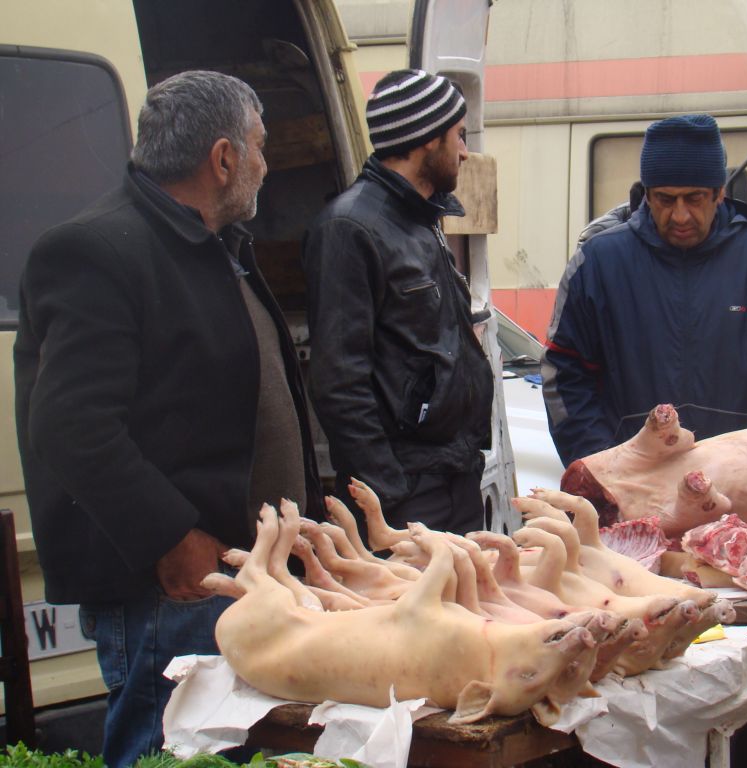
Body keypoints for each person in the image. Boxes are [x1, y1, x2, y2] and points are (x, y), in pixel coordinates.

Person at [13, 70, 325, 768]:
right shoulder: (99, 249)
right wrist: (171, 539)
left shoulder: (209, 245)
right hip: (170, 591)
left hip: (237, 580)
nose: (266, 164)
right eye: (259, 146)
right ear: (221, 159)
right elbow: (69, 425)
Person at [542, 113, 747, 468]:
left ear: (719, 193)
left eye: (694, 198)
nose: (681, 216)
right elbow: (565, 372)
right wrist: (602, 464)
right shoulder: (598, 263)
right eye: (665, 200)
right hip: (633, 482)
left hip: (738, 481)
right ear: (647, 194)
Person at [303, 69, 493, 538]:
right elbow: (338, 382)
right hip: (409, 494)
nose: (466, 151)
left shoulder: (421, 218)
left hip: (453, 475)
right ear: (428, 140)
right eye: (459, 136)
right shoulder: (350, 228)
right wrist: (389, 493)